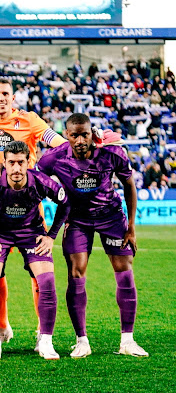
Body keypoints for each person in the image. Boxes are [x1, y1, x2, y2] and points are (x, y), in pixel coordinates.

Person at [0, 76, 68, 344]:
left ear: (13, 98)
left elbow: (58, 143)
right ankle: (2, 325)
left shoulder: (30, 120)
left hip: (30, 212)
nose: (1, 98)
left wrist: (44, 169)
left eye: (5, 94)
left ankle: (40, 333)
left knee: (39, 274)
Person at [38, 113, 148, 358]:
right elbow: (35, 178)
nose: (79, 140)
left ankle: (127, 340)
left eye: (84, 134)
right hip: (76, 219)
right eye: (74, 135)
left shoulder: (112, 153)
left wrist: (131, 227)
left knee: (124, 269)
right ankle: (82, 340)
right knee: (76, 271)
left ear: (92, 133)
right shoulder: (53, 159)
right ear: (66, 135)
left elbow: (129, 184)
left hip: (110, 216)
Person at [0, 141, 69, 360]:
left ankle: (45, 341)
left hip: (31, 233)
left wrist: (51, 236)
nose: (16, 168)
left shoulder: (42, 182)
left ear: (28, 162)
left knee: (47, 283)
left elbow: (65, 203)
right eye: (11, 163)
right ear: (4, 163)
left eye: (20, 163)